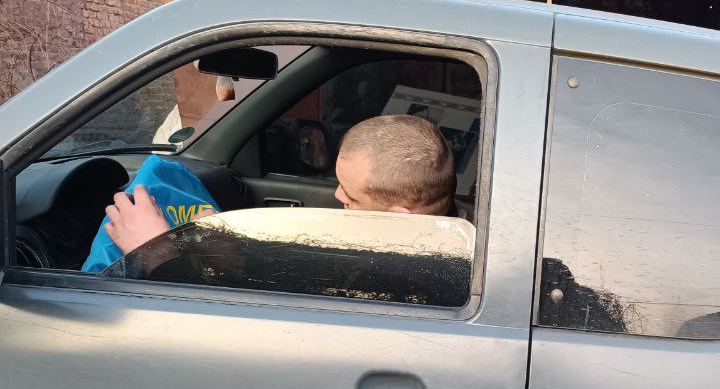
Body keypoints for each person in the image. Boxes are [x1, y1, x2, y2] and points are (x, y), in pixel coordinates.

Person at [102, 114, 457, 257]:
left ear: (399, 216)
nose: (336, 196)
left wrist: (155, 250)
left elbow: (256, 335)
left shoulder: (406, 282)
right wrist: (221, 245)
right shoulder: (420, 244)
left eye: (350, 196)